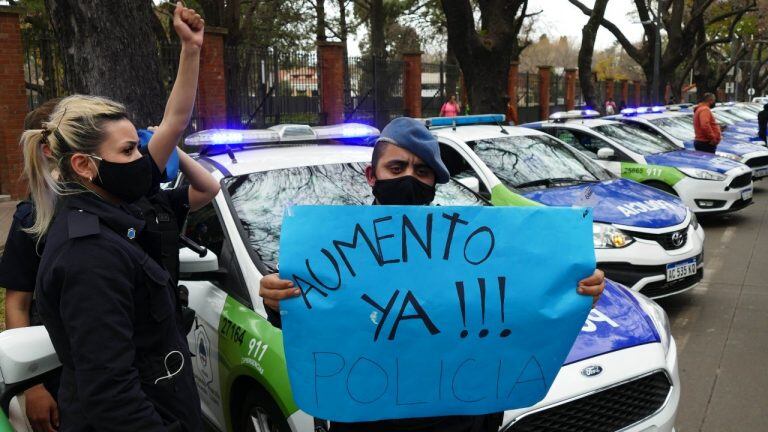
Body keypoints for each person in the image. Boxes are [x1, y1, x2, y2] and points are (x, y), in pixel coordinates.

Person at [258, 117, 606, 432]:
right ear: (372, 175)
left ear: (434, 183)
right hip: (368, 419)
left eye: (422, 171)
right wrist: (278, 303)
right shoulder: (331, 246)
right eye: (397, 167)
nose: (409, 178)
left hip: (459, 419)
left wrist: (575, 294)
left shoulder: (474, 246)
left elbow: (517, 305)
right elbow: (316, 319)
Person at [23, 4, 216, 431]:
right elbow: (113, 398)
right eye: (129, 150)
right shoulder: (88, 256)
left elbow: (174, 121)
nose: (141, 158)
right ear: (84, 165)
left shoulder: (114, 198)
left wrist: (191, 49)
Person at [2, 98, 62, 432]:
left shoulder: (110, 207)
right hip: (54, 371)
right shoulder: (31, 218)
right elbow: (18, 302)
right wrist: (32, 384)